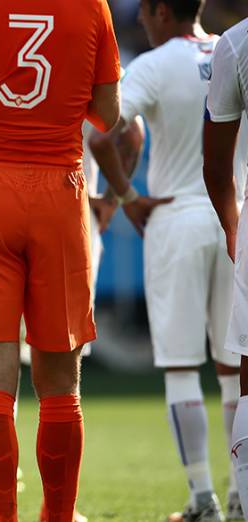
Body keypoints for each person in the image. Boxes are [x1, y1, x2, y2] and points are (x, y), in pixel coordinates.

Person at [0, 0, 126, 519]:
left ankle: (1, 514)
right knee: (61, 386)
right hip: (60, 190)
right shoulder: (92, 6)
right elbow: (108, 112)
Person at [91, 1, 247, 519]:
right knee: (235, 369)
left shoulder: (155, 64)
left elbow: (103, 133)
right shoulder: (231, 47)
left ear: (161, 11)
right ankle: (239, 492)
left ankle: (202, 496)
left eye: (144, 12)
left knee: (181, 366)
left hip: (177, 217)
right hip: (237, 217)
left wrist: (126, 196)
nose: (139, 20)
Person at [202, 14, 248, 521]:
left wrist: (236, 229)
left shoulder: (236, 42)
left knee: (241, 366)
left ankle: (232, 501)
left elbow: (215, 166)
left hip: (242, 212)